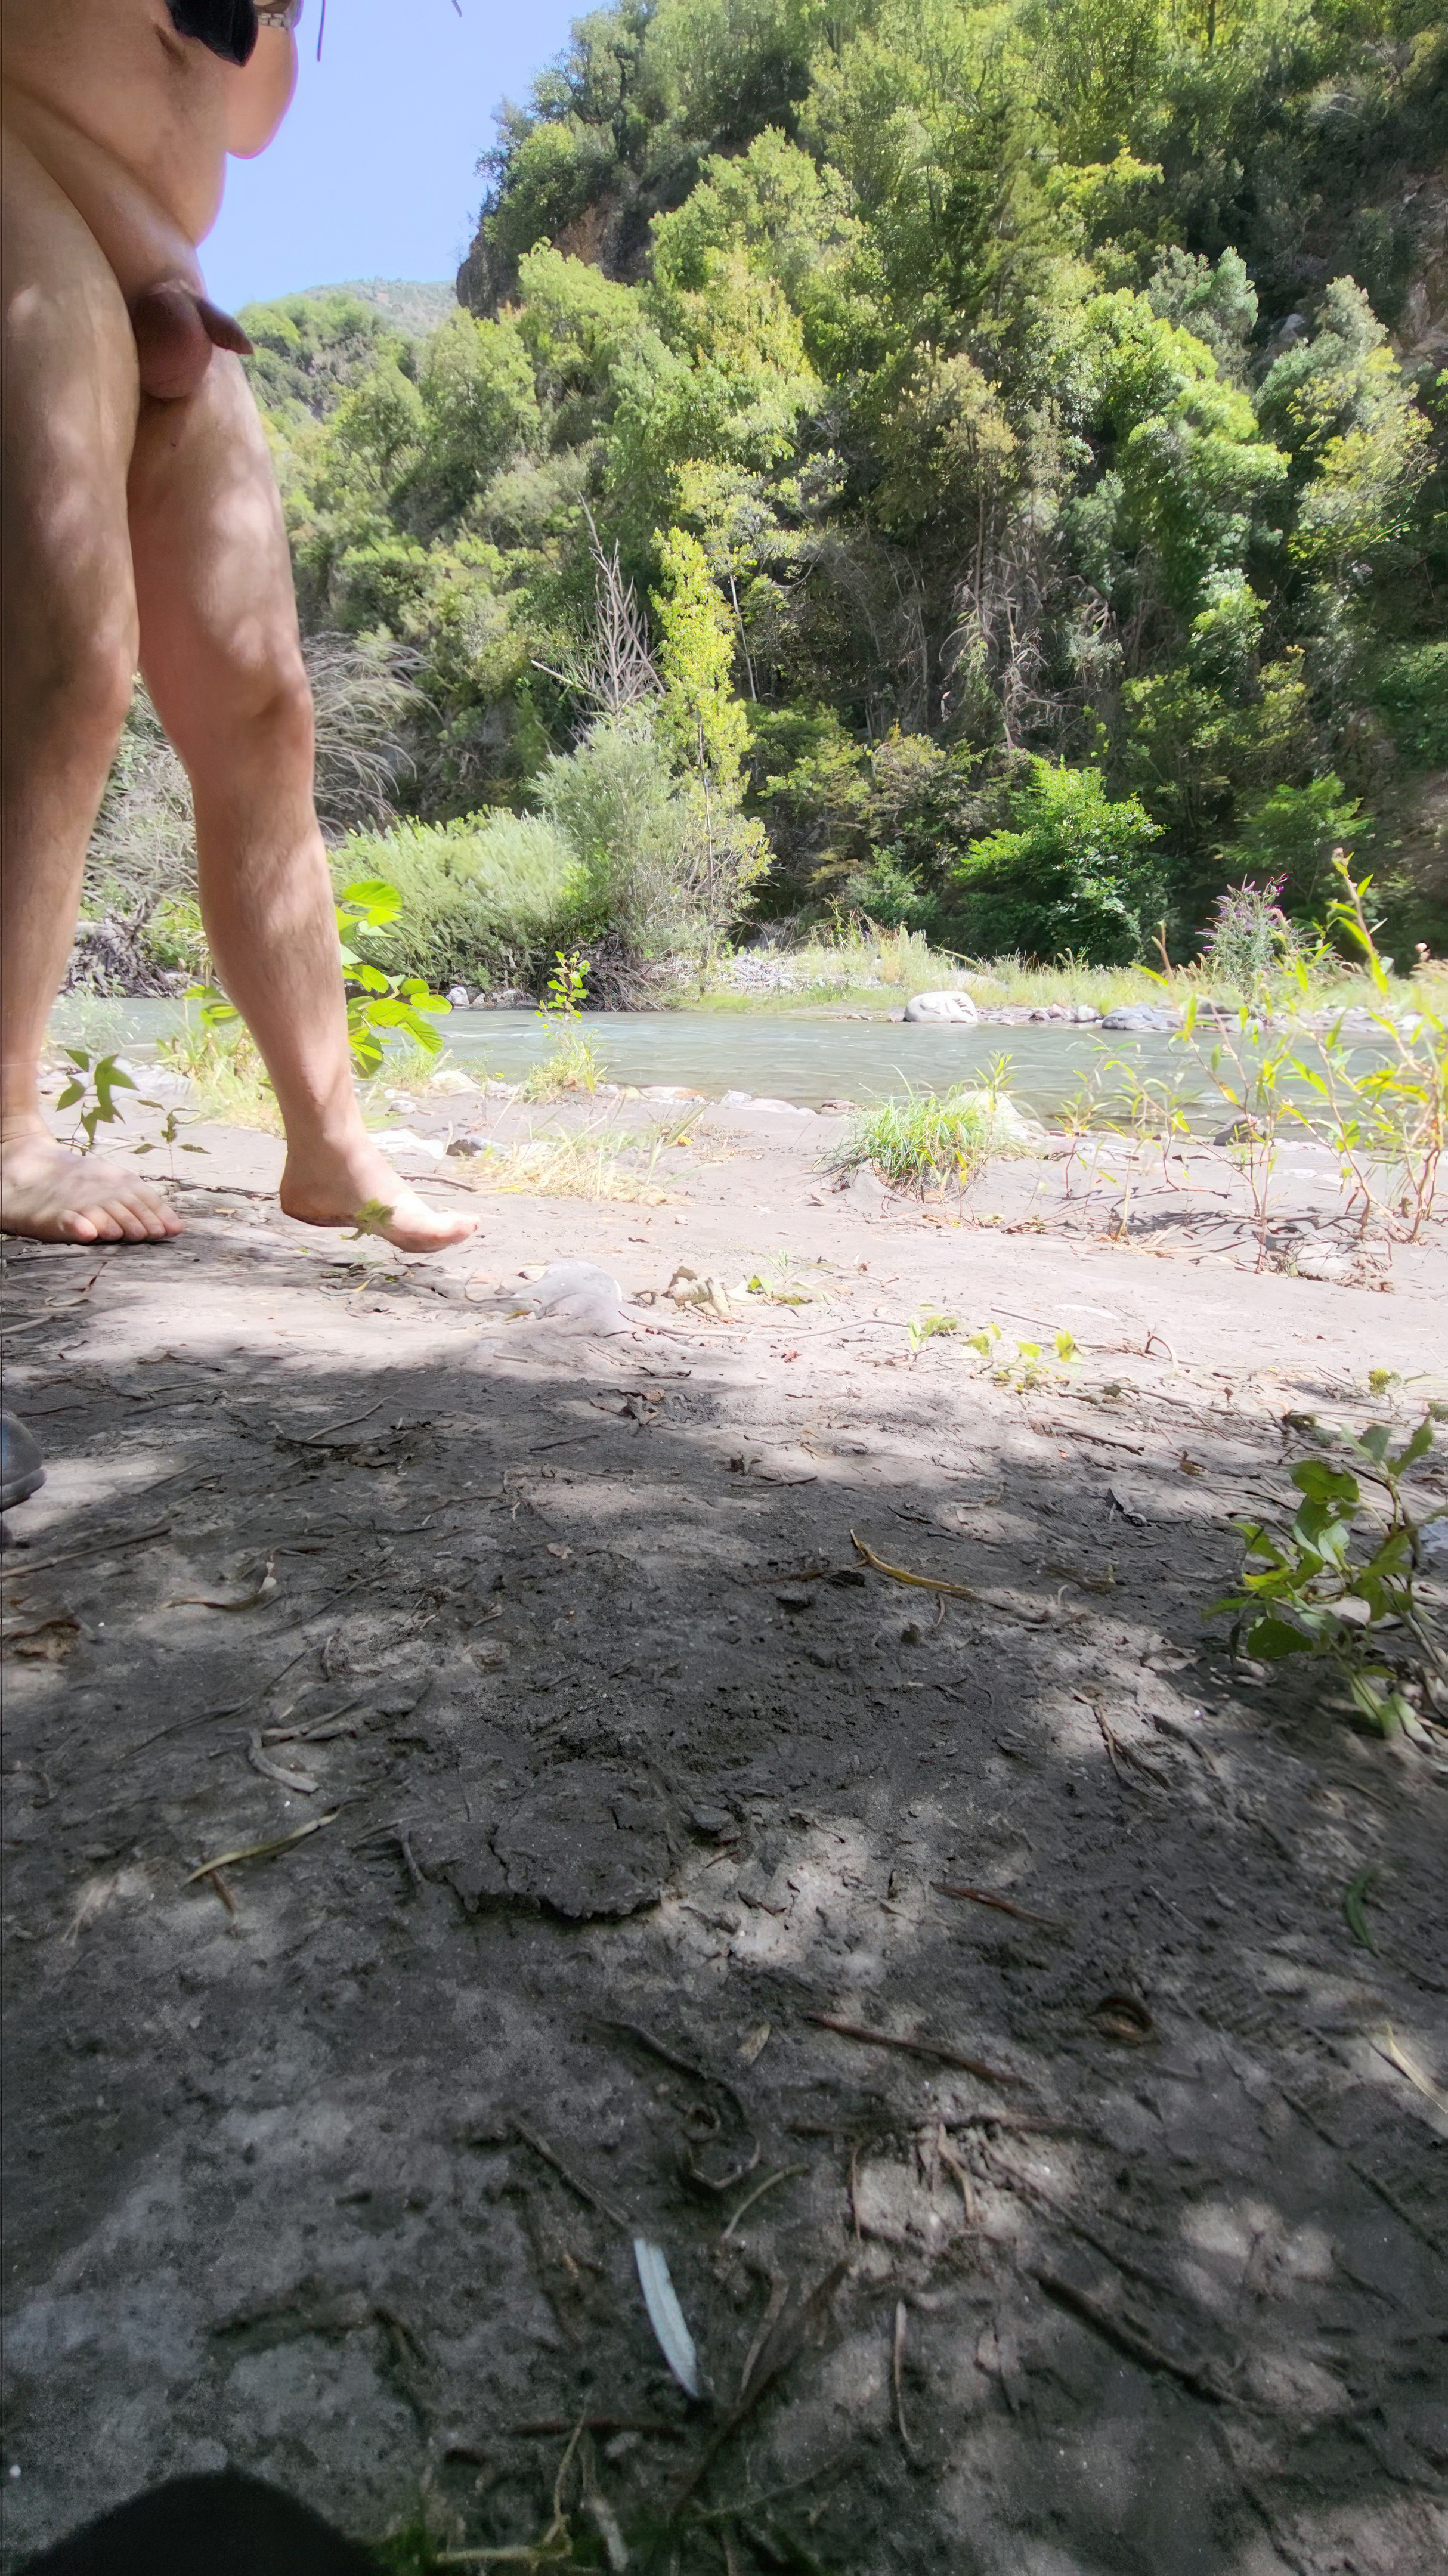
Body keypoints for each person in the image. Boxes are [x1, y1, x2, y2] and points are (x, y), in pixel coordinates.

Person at [1, 0, 475, 1253]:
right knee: (68, 657)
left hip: (165, 279)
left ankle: (328, 1142)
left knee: (266, 707)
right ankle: (1, 1123)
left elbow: (249, 119)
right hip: (22, 194)